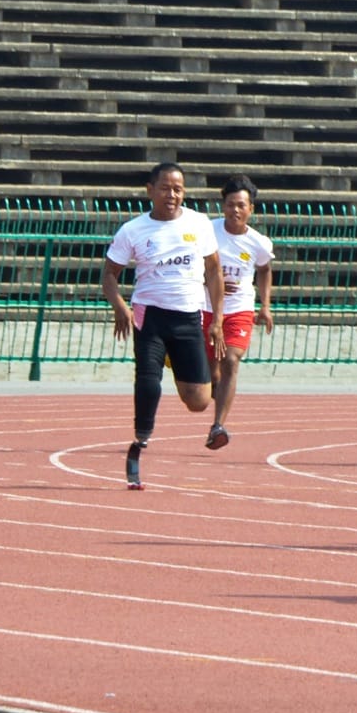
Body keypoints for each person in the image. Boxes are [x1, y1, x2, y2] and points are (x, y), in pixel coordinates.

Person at [103, 161, 224, 489]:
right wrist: (120, 307)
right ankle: (140, 438)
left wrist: (218, 319)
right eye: (166, 188)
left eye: (178, 189)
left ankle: (174, 359)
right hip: (149, 314)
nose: (172, 195)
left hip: (188, 316)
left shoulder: (199, 224)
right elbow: (109, 275)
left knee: (198, 402)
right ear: (150, 190)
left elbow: (214, 271)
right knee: (147, 380)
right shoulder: (133, 230)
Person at [205, 175, 275, 452]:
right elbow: (192, 265)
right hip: (205, 307)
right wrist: (210, 280)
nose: (235, 210)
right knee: (212, 374)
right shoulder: (207, 232)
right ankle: (215, 391)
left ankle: (218, 425)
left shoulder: (258, 242)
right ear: (223, 206)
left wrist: (266, 307)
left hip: (239, 310)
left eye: (241, 205)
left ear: (251, 209)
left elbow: (265, 269)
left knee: (231, 360)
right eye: (231, 204)